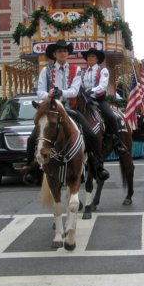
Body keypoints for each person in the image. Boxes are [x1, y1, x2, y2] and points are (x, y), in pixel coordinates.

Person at [22, 40, 109, 182]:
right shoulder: (46, 70)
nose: (63, 53)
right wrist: (48, 94)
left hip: (69, 109)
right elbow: (40, 92)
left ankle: (98, 166)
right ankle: (31, 166)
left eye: (65, 51)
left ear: (67, 53)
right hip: (51, 109)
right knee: (33, 137)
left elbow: (75, 91)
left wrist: (60, 92)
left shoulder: (76, 69)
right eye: (60, 51)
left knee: (91, 134)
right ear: (55, 54)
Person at [81, 47, 128, 155]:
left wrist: (91, 91)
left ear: (97, 59)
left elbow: (103, 86)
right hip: (86, 100)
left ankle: (117, 141)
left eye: (92, 56)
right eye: (88, 56)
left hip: (99, 100)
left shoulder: (103, 70)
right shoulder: (83, 72)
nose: (90, 58)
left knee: (111, 116)